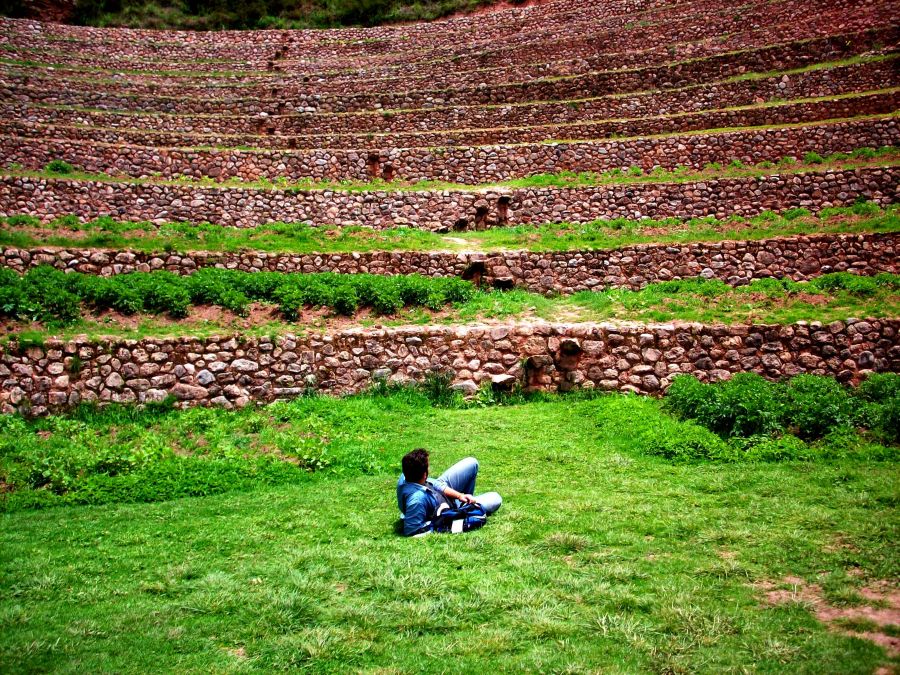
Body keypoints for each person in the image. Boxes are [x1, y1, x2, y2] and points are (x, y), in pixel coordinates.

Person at [396, 449, 502, 537]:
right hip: (450, 509)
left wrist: (460, 495)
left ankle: (468, 503)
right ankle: (466, 509)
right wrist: (437, 521)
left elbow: (436, 484)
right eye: (428, 467)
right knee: (496, 498)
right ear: (424, 475)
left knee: (472, 462)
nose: (430, 468)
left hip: (438, 491)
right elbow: (411, 531)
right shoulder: (416, 500)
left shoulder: (406, 476)